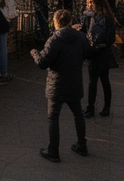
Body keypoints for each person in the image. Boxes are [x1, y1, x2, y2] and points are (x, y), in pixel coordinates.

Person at [31, 9, 89, 162]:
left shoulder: (54, 39)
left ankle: (53, 150)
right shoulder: (80, 37)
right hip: (74, 82)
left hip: (56, 84)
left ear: (56, 22)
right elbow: (88, 52)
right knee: (78, 114)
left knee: (53, 117)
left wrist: (35, 53)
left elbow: (42, 63)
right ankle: (82, 144)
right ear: (70, 22)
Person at [81, 0, 116, 118]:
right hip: (99, 52)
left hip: (98, 52)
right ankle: (100, 107)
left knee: (97, 81)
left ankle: (93, 108)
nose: (89, 5)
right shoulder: (106, 17)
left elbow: (85, 33)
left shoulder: (92, 17)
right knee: (99, 81)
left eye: (91, 2)